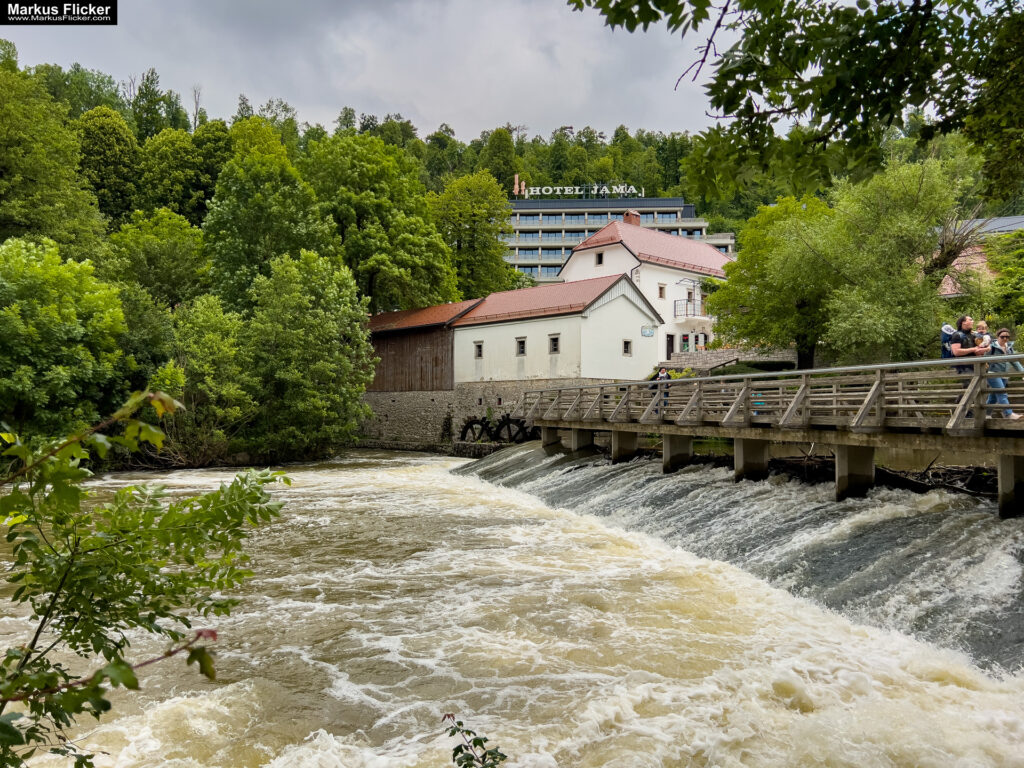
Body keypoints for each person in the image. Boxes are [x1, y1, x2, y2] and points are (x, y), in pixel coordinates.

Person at [986, 328, 1024, 420]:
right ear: (998, 337)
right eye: (1002, 337)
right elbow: (983, 357)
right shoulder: (992, 347)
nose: (1005, 339)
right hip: (993, 373)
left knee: (993, 396)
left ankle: (986, 414)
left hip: (1004, 375)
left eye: (1007, 337)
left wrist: (1023, 373)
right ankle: (1008, 414)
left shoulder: (1009, 348)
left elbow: (1015, 362)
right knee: (1002, 393)